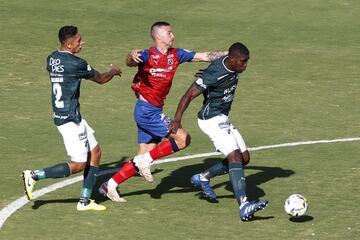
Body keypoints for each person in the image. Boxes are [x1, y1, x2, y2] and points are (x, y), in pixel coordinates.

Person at [98, 21, 227, 202]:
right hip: (146, 111)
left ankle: (109, 185)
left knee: (142, 157)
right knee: (183, 138)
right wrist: (130, 55)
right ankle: (144, 163)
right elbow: (129, 62)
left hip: (152, 109)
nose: (173, 36)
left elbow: (205, 56)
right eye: (169, 33)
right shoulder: (147, 55)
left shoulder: (176, 54)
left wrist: (228, 55)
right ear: (159, 36)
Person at [22, 25, 122, 211]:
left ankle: (84, 201)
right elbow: (100, 79)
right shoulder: (77, 64)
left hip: (69, 115)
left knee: (96, 152)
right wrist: (114, 72)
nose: (82, 43)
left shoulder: (51, 58)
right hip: (69, 119)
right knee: (79, 163)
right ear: (69, 45)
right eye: (78, 41)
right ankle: (34, 175)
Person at [168, 42, 268, 221]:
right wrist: (177, 119)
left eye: (247, 61)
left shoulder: (231, 66)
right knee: (234, 157)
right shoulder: (216, 73)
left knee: (244, 159)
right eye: (243, 62)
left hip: (222, 117)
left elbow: (218, 62)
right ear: (232, 59)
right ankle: (244, 204)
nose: (245, 66)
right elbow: (188, 94)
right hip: (211, 120)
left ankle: (203, 177)